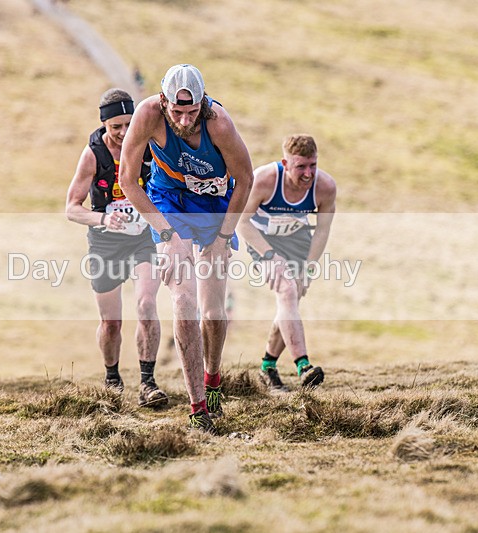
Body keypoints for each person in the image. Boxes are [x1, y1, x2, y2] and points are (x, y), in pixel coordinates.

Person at [119, 64, 253, 432]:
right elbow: (127, 181)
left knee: (212, 311)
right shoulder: (147, 114)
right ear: (163, 101)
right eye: (176, 111)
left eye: (191, 111)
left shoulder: (218, 123)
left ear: (202, 103)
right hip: (169, 204)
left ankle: (212, 381)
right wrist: (166, 235)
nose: (183, 119)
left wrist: (224, 238)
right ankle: (197, 409)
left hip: (213, 207)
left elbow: (246, 180)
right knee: (183, 300)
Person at [65, 88, 168, 408]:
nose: (124, 133)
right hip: (107, 242)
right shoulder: (93, 154)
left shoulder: (149, 147)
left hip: (144, 239)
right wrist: (102, 219)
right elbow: (71, 208)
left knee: (147, 305)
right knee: (111, 322)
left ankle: (148, 382)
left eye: (129, 124)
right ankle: (112, 379)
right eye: (115, 127)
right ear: (104, 126)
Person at [237, 134, 336, 391]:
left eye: (312, 165)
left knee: (290, 300)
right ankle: (303, 365)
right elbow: (242, 222)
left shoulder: (324, 187)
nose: (308, 173)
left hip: (297, 239)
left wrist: (309, 268)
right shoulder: (265, 179)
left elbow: (322, 230)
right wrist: (270, 255)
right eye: (301, 166)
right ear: (285, 163)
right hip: (262, 240)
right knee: (287, 290)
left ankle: (267, 367)